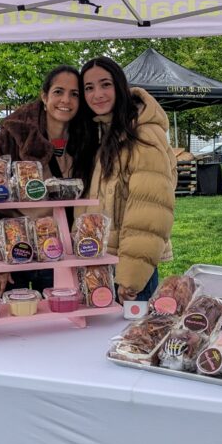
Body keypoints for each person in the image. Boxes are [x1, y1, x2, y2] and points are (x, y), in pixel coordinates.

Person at [0, 66, 95, 296]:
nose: (66, 100)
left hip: (57, 253)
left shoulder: (85, 140)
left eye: (74, 94)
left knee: (58, 325)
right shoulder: (12, 137)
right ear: (44, 96)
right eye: (58, 92)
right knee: (11, 326)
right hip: (12, 253)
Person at [80, 57, 177, 303]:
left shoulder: (143, 134)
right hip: (102, 264)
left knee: (131, 340)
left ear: (120, 87)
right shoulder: (105, 133)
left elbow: (150, 212)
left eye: (105, 84)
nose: (97, 94)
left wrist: (130, 277)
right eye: (89, 88)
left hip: (128, 274)